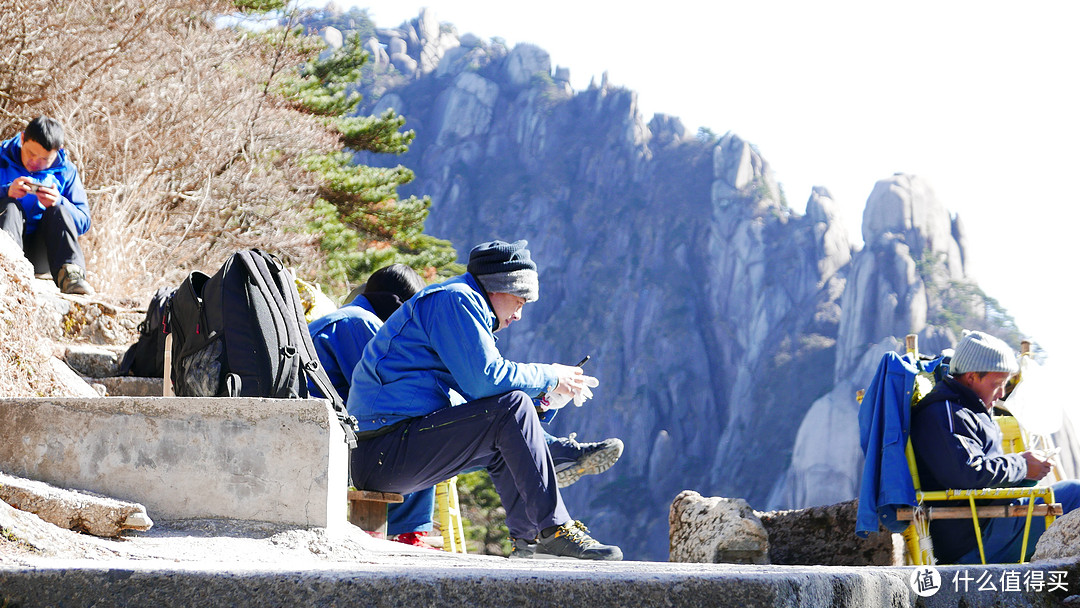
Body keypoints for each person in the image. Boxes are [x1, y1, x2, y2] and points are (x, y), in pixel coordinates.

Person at [311, 263, 625, 549]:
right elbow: (376, 406)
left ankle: (530, 540)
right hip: (343, 449)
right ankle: (414, 535)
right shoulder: (358, 322)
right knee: (494, 417)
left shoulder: (371, 331)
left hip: (354, 445)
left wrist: (543, 401)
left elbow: (472, 401)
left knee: (500, 432)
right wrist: (546, 378)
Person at [910, 330, 1080, 564]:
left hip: (991, 518)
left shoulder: (968, 410)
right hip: (975, 537)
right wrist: (1022, 464)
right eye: (997, 384)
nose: (1001, 394)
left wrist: (1028, 471)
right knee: (1076, 494)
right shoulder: (943, 413)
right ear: (971, 377)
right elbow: (967, 472)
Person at [309, 263, 437, 547]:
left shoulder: (345, 317)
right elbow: (389, 395)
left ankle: (398, 531)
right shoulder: (361, 323)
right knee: (416, 437)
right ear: (398, 307)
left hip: (317, 429)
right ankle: (406, 535)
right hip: (326, 438)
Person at [0, 116, 93, 294]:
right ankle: (5, 270)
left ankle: (71, 276)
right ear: (22, 139)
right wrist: (6, 191)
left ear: (58, 151)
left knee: (58, 210)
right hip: (5, 245)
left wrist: (58, 200)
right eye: (31, 154)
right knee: (10, 206)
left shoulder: (67, 171)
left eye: (44, 159)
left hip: (44, 254)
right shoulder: (2, 158)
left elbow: (83, 223)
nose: (35, 162)